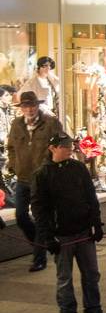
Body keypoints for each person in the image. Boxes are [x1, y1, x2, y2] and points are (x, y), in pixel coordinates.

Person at [32, 132, 106, 313]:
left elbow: (91, 197)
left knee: (91, 275)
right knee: (64, 279)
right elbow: (39, 208)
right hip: (61, 235)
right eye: (64, 146)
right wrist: (47, 236)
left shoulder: (78, 168)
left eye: (70, 146)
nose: (69, 149)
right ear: (52, 148)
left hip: (83, 231)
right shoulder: (42, 174)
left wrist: (96, 223)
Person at [5, 91, 64, 271]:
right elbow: (11, 147)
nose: (29, 109)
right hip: (23, 178)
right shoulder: (16, 124)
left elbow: (62, 145)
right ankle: (42, 245)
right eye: (25, 106)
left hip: (43, 179)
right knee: (21, 216)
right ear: (21, 108)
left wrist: (52, 168)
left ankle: (39, 258)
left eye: (32, 105)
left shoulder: (51, 123)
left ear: (37, 106)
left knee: (41, 219)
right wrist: (14, 165)